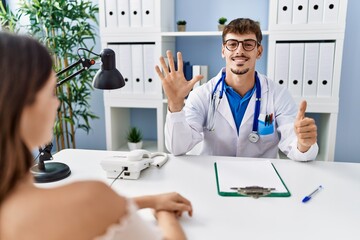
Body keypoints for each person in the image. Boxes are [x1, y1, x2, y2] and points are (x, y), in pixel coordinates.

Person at [0, 32, 192, 240]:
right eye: (50, 92)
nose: (56, 103)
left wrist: (148, 201)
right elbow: (93, 207)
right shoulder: (94, 197)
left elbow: (74, 212)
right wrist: (164, 214)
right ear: (22, 106)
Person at [155, 18, 318, 161]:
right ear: (223, 50)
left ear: (259, 51)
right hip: (213, 175)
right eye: (232, 44)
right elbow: (178, 148)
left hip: (261, 180)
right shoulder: (202, 95)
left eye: (248, 44)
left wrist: (303, 144)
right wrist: (175, 106)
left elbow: (294, 145)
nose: (239, 50)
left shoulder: (278, 95)